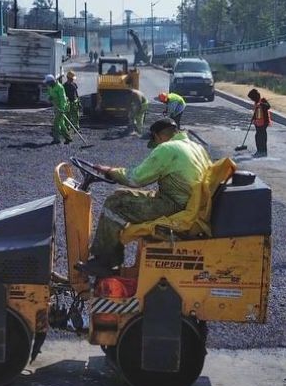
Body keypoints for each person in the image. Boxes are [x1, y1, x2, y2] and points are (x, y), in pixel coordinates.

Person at [79, 118, 212, 276]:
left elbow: (136, 178)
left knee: (114, 204)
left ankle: (105, 262)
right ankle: (112, 252)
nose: (155, 147)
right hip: (191, 203)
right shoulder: (195, 147)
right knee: (120, 195)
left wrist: (109, 170)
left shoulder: (167, 148)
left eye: (155, 143)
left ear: (158, 136)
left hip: (176, 205)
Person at [46, 74, 71, 145]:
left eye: (48, 83)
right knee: (61, 123)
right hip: (56, 107)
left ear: (51, 82)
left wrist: (62, 108)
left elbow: (63, 99)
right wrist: (50, 97)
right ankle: (68, 138)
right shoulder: (50, 86)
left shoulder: (59, 87)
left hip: (62, 107)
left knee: (56, 123)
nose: (47, 84)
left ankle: (56, 139)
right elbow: (49, 93)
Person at [247, 88, 271, 156]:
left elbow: (268, 106)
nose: (252, 100)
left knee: (262, 137)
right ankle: (259, 151)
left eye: (252, 98)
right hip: (258, 123)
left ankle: (263, 151)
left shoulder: (262, 100)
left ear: (255, 97)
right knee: (257, 136)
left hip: (264, 122)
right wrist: (253, 118)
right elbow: (256, 112)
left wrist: (261, 104)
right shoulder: (256, 103)